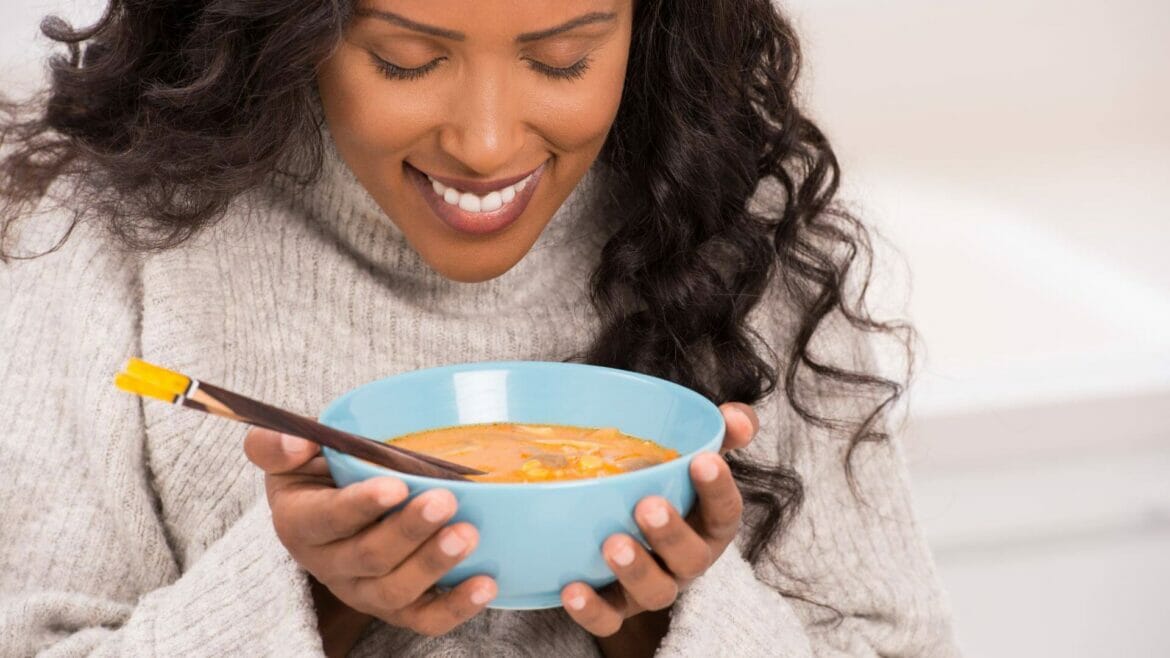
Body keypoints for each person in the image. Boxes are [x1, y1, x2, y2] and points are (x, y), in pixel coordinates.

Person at [0, 1, 959, 656]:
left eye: (562, 59)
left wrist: (658, 623)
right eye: (405, 60)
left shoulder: (746, 233)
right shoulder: (100, 242)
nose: (487, 143)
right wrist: (313, 597)